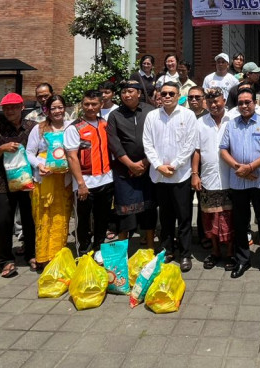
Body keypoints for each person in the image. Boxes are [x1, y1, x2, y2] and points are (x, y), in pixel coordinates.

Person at [220, 87, 260, 280]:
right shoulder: (231, 125)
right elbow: (223, 150)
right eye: (240, 103)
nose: (244, 106)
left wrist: (251, 167)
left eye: (248, 102)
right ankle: (242, 260)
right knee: (240, 222)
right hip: (238, 182)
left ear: (255, 103)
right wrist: (240, 168)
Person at [143, 81, 199, 270]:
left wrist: (174, 165)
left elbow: (190, 144)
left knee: (183, 216)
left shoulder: (188, 115)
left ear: (178, 96)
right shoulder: (152, 116)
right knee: (165, 216)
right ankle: (167, 250)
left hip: (180, 175)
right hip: (159, 175)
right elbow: (147, 144)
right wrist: (159, 166)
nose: (167, 97)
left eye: (171, 94)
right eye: (164, 93)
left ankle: (185, 254)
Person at [0, 93, 36, 275]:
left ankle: (32, 253)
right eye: (6, 107)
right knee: (1, 222)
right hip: (1, 183)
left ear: (22, 107)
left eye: (14, 107)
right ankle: (5, 259)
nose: (10, 111)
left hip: (28, 182)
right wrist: (1, 149)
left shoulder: (33, 128)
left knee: (31, 219)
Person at [25, 94, 76, 266]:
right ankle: (43, 256)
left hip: (64, 180)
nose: (57, 111)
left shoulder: (71, 127)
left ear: (65, 108)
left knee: (61, 218)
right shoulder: (39, 128)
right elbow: (29, 152)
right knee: (43, 217)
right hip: (44, 180)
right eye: (53, 108)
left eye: (60, 107)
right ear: (47, 110)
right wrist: (39, 165)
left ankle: (58, 256)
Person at [66, 90, 115, 262]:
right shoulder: (75, 128)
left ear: (101, 104)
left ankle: (99, 247)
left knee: (102, 218)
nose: (90, 107)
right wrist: (80, 184)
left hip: (106, 179)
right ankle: (83, 251)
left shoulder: (105, 124)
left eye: (94, 104)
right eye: (86, 104)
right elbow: (72, 157)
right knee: (83, 220)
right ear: (82, 105)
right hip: (85, 182)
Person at [107, 81, 156, 248]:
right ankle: (121, 252)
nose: (126, 95)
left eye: (130, 91)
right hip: (124, 172)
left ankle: (150, 248)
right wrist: (130, 165)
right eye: (123, 92)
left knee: (148, 211)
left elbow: (157, 139)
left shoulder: (151, 111)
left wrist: (144, 163)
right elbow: (114, 143)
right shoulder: (115, 115)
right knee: (124, 213)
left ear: (139, 94)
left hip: (148, 168)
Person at [193, 88, 232, 268]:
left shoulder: (233, 120)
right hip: (208, 178)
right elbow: (197, 151)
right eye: (210, 103)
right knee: (210, 218)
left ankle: (231, 253)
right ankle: (215, 252)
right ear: (205, 104)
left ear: (223, 100)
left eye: (217, 101)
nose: (214, 105)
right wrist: (195, 174)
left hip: (230, 178)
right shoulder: (200, 123)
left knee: (229, 218)